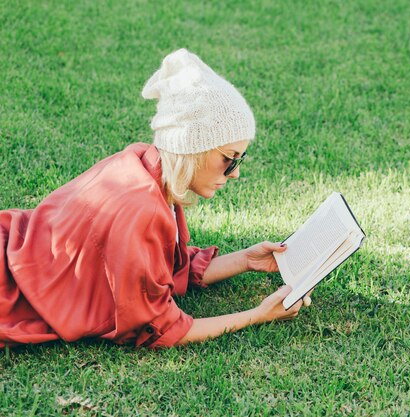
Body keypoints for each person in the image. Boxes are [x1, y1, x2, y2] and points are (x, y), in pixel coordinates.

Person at [0, 48, 311, 349]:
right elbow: (161, 329)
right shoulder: (143, 209)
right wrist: (258, 315)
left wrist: (246, 259)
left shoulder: (143, 164)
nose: (234, 173)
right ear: (193, 148)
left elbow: (165, 269)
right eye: (229, 159)